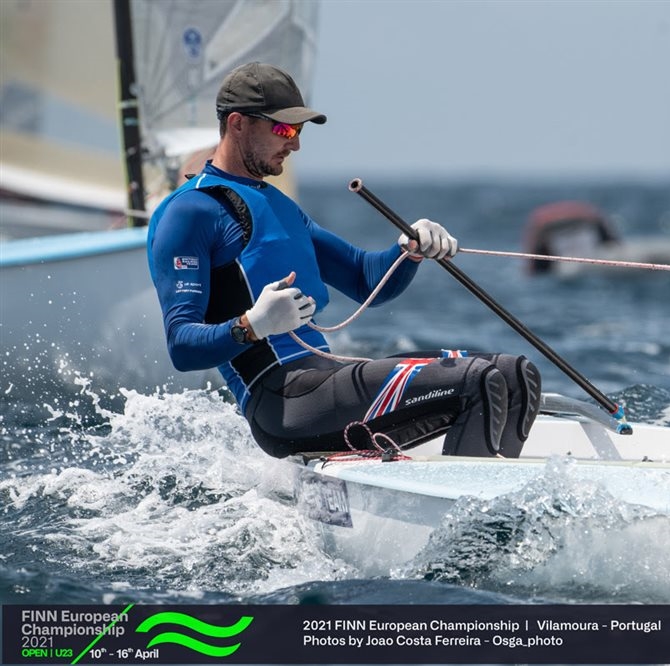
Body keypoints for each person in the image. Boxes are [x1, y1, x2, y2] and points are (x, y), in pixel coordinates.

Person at [147, 62, 540, 459]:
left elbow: (366, 280)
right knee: (479, 381)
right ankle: (472, 499)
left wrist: (409, 249)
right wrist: (252, 326)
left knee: (515, 375)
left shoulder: (277, 204)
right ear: (237, 124)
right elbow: (182, 346)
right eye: (284, 130)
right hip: (284, 401)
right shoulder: (191, 211)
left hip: (326, 380)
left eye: (299, 131)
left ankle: (495, 494)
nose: (295, 145)